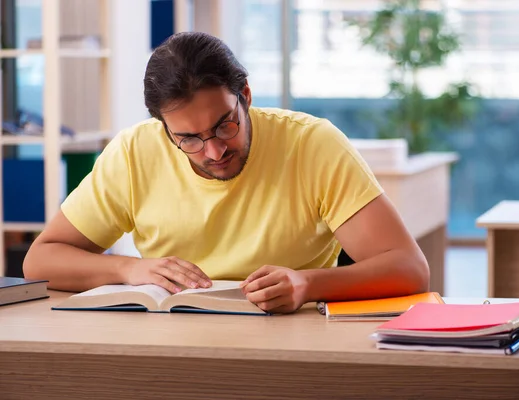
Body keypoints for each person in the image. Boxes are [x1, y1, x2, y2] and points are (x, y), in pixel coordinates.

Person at [23, 32, 429, 314]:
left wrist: (309, 284)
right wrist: (128, 269)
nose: (214, 151)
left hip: (289, 341)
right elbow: (41, 260)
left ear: (245, 96)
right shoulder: (133, 151)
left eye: (224, 125)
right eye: (188, 138)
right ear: (163, 127)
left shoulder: (313, 143)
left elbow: (409, 268)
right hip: (169, 344)